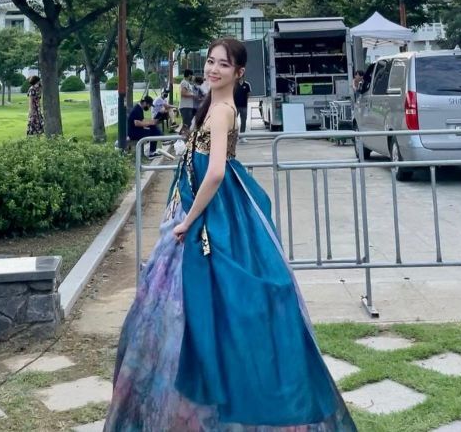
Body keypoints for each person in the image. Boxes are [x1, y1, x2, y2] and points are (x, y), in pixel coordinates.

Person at [104, 38, 357, 431]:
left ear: (239, 72)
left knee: (215, 300)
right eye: (210, 61)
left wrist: (189, 220)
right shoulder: (211, 106)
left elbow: (216, 172)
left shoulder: (222, 111)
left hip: (213, 213)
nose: (213, 69)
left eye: (223, 64)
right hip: (206, 209)